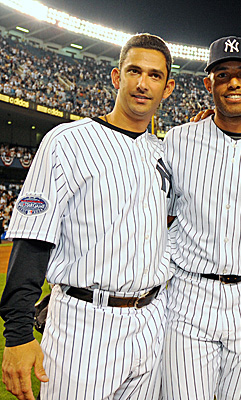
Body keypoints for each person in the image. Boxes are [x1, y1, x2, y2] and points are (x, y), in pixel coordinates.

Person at [0, 33, 175, 400]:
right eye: (134, 71)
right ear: (116, 77)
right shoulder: (66, 141)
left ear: (168, 87)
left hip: (152, 320)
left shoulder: (166, 153)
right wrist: (17, 334)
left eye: (155, 76)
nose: (143, 84)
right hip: (85, 323)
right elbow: (33, 238)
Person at [161, 36, 241, 399]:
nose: (234, 83)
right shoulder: (177, 141)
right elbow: (160, 216)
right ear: (209, 83)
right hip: (190, 293)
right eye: (223, 74)